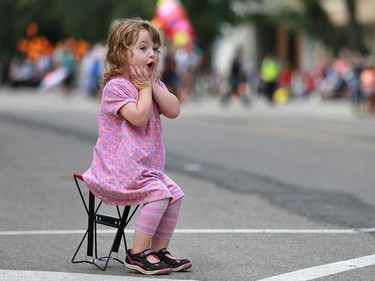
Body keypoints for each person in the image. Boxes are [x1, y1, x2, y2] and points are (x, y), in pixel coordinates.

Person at [82, 18, 192, 275]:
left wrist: (151, 85)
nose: (152, 53)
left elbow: (174, 110)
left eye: (155, 48)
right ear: (121, 53)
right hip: (117, 169)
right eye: (143, 48)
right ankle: (138, 253)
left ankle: (158, 250)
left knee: (174, 194)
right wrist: (144, 89)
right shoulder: (116, 87)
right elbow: (140, 117)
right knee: (159, 193)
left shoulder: (152, 85)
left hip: (144, 169)